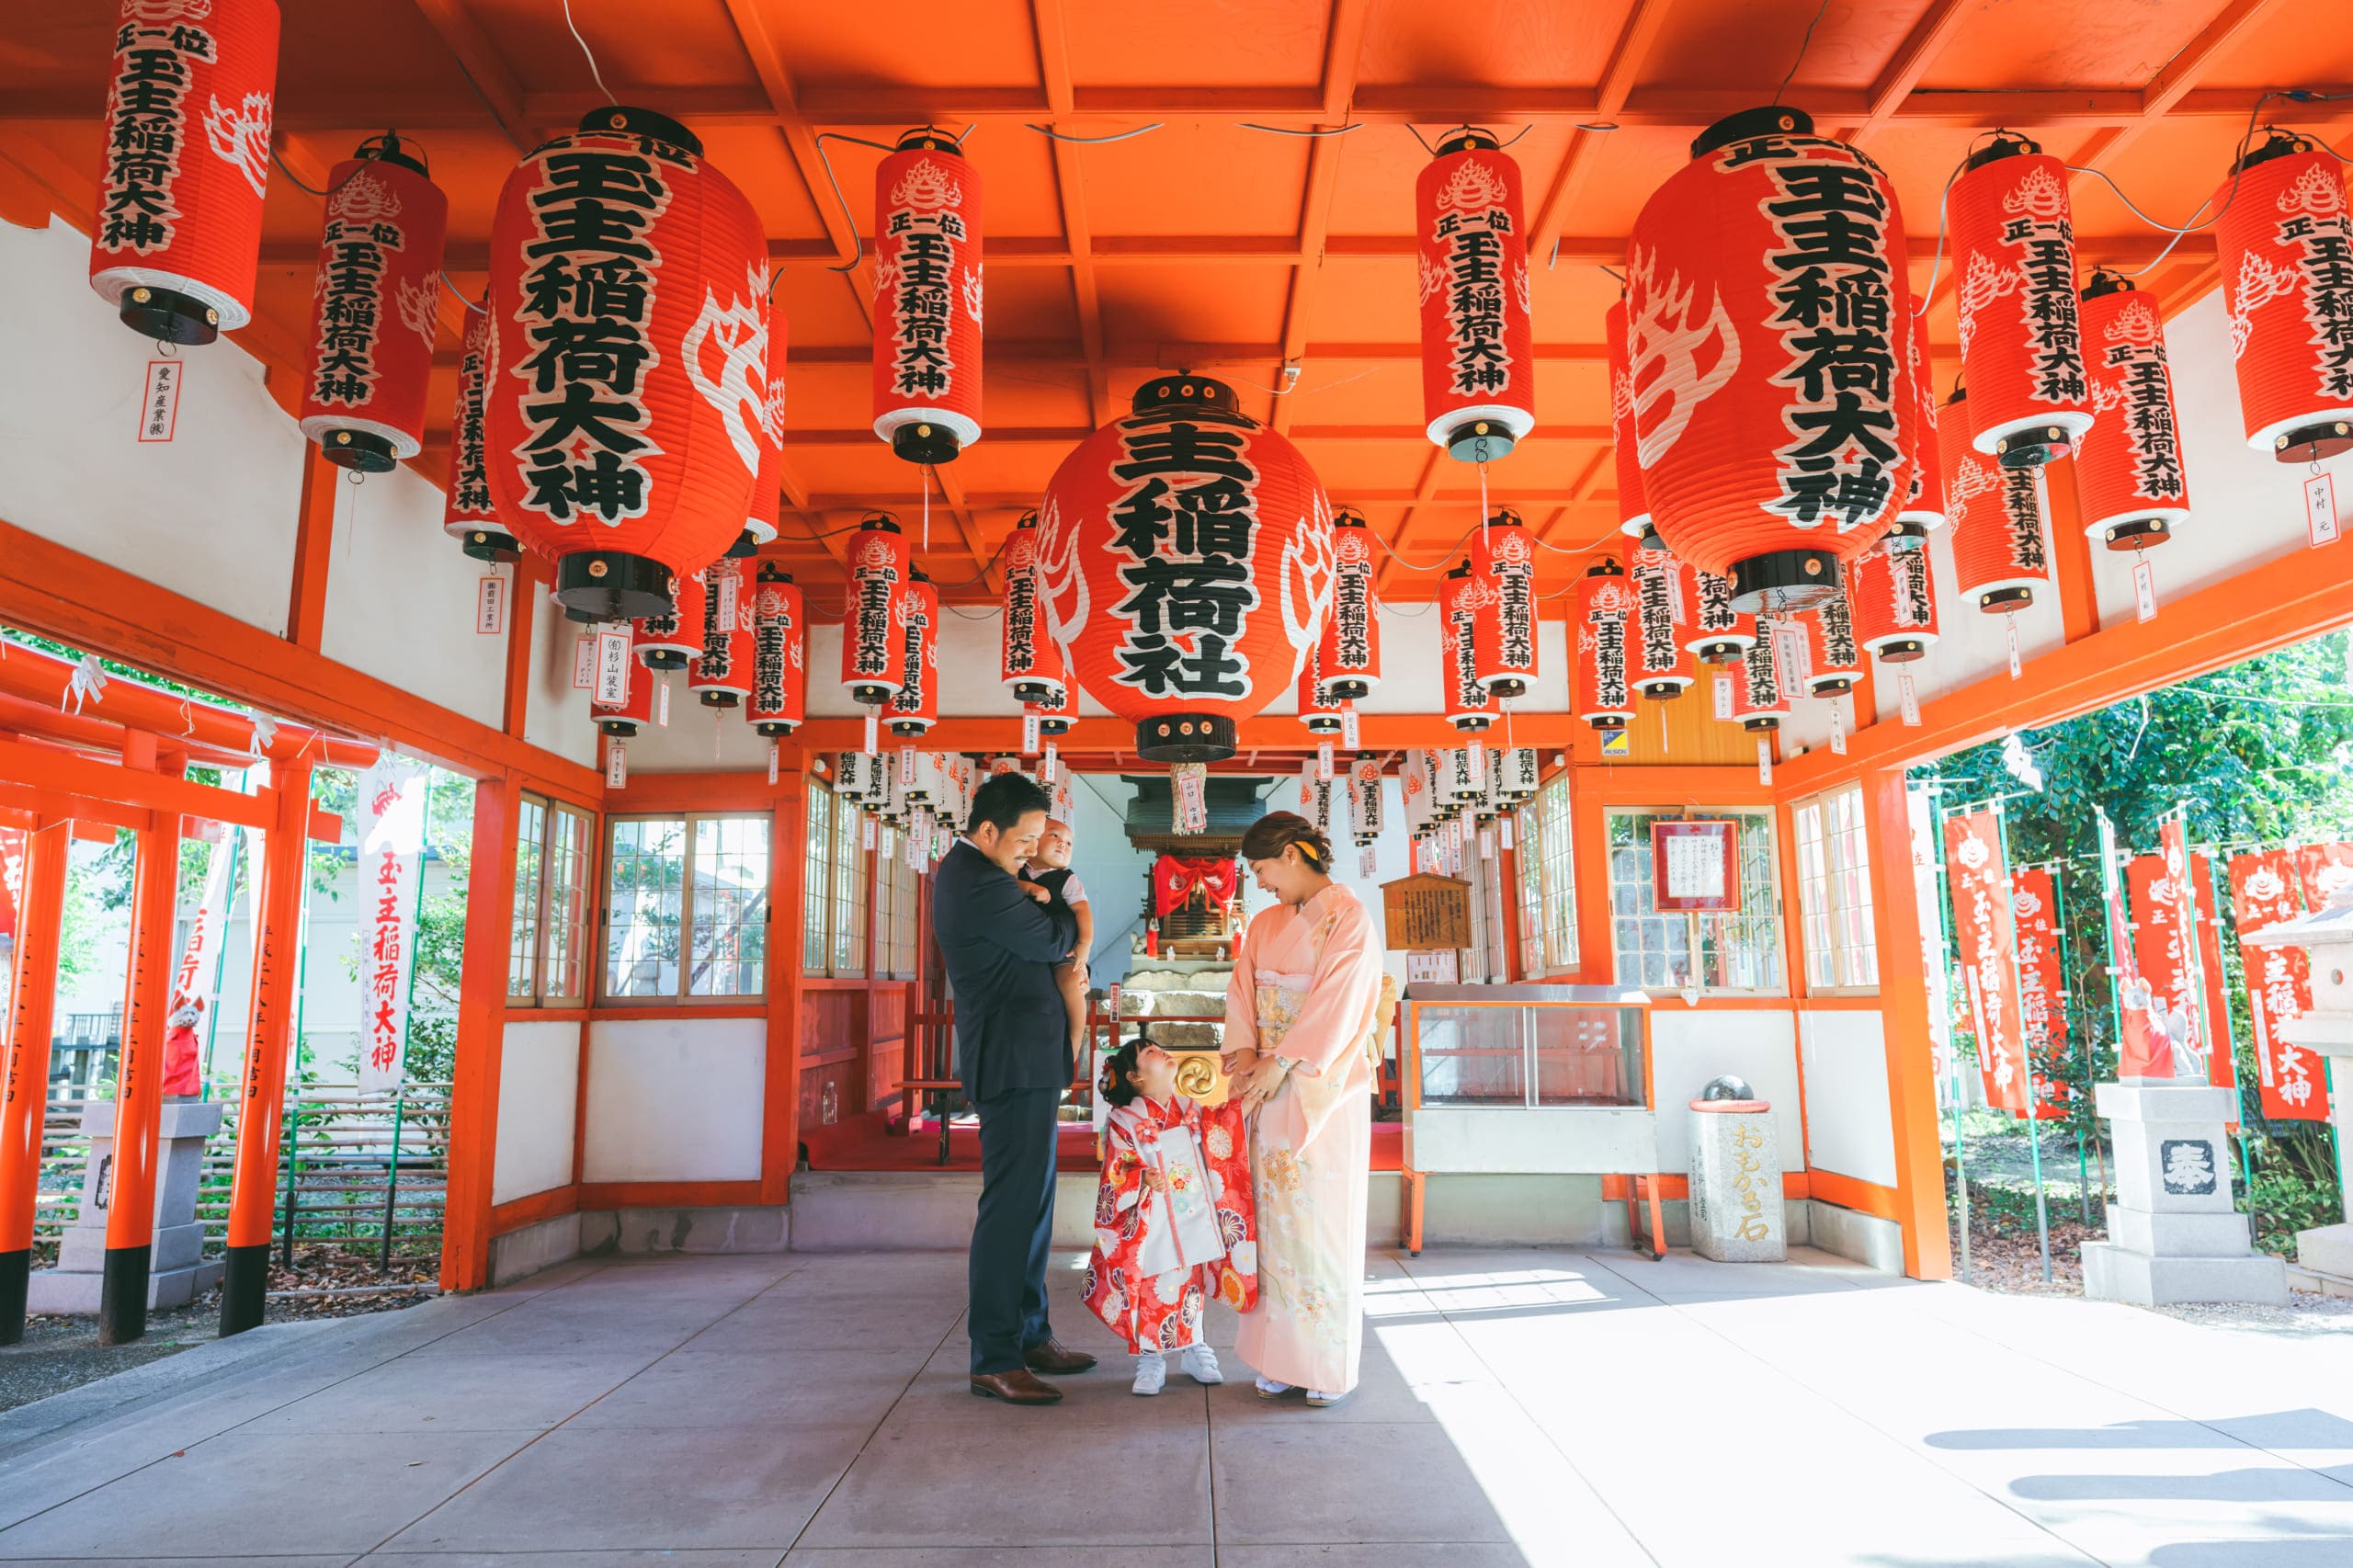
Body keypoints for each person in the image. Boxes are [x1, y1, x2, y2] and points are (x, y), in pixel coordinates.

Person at [931, 770, 1098, 1405]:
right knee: (1009, 1211)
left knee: (1033, 1207)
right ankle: (994, 1355)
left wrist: (1044, 899)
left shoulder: (999, 878)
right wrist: (1059, 907)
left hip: (1029, 1056)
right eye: (1025, 838)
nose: (1033, 850)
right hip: (1010, 1059)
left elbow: (1051, 939)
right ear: (987, 829)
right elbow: (1059, 938)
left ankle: (1030, 1335)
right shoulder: (976, 882)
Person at [1222, 811, 1385, 1407]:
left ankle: (1324, 1365)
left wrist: (1282, 1061)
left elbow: (1340, 1005)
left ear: (1292, 853)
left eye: (1263, 868)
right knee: (1270, 1225)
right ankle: (1277, 1360)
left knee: (1319, 1226)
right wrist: (1244, 1053)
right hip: (1265, 1086)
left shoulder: (1350, 920)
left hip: (1321, 1088)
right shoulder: (1264, 924)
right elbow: (1243, 991)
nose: (1261, 881)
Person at [1082, 1038, 1257, 1394]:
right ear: (1135, 1075)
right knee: (1154, 1283)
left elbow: (1220, 1125)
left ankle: (1194, 1347)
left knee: (1189, 1278)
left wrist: (1248, 1101)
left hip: (1190, 1209)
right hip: (1151, 1216)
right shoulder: (1125, 1119)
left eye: (1161, 1048)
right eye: (1150, 1053)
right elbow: (1117, 1167)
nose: (1162, 1051)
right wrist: (1140, 1176)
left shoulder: (1188, 1107)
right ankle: (1151, 1357)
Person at [1018, 818, 1093, 1058]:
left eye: (1069, 843)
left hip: (1062, 952)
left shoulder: (1067, 880)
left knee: (1071, 982)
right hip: (1024, 952)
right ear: (1032, 839)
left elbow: (1082, 910)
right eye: (1054, 836)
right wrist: (1027, 887)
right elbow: (1000, 883)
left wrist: (1085, 943)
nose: (1063, 844)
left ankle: (1073, 1043)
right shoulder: (1015, 867)